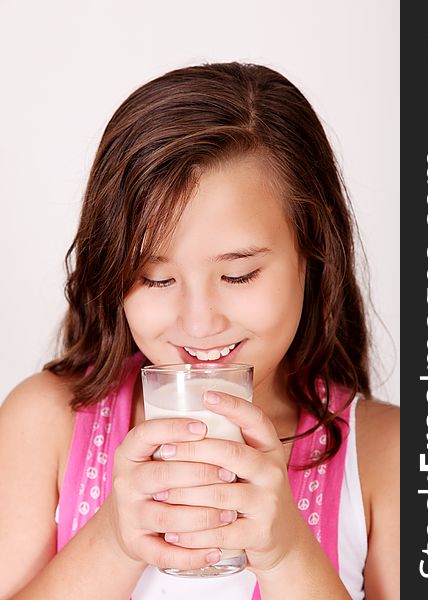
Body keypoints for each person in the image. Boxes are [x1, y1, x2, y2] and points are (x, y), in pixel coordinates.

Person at [0, 62, 399, 599]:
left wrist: (287, 556)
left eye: (239, 274)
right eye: (154, 277)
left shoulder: (391, 458)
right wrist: (115, 539)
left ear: (313, 246)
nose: (198, 321)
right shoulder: (43, 423)